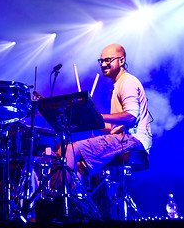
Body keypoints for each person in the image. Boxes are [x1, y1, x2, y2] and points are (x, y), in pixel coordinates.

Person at [59, 44, 152, 181]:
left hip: (131, 140)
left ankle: (64, 200)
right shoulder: (118, 85)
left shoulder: (127, 82)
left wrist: (99, 116)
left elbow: (131, 117)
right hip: (126, 138)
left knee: (70, 150)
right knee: (78, 167)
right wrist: (92, 121)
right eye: (101, 61)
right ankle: (76, 197)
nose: (103, 64)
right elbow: (115, 128)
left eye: (108, 60)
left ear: (121, 61)